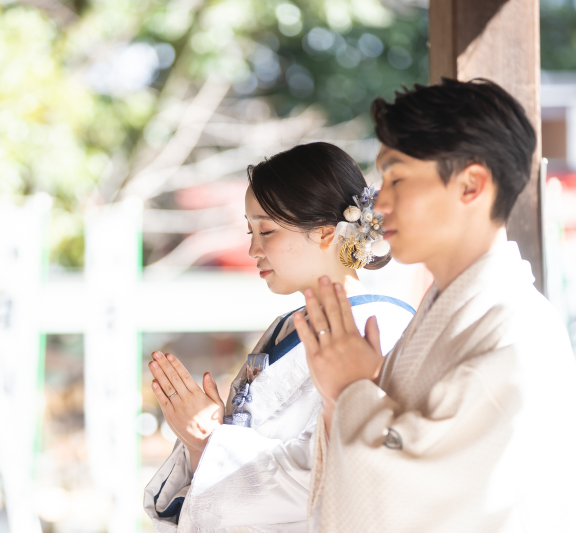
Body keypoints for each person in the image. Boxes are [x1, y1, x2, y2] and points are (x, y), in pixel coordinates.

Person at [296, 79, 576, 532]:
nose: (380, 202)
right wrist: (346, 397)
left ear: (471, 185)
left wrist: (353, 388)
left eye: (397, 178)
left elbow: (421, 501)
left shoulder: (515, 332)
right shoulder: (453, 314)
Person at [142, 142, 415, 532]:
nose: (253, 249)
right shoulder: (283, 327)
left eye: (266, 230)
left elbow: (337, 471)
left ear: (325, 233)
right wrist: (206, 435)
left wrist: (210, 442)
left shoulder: (383, 328)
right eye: (249, 230)